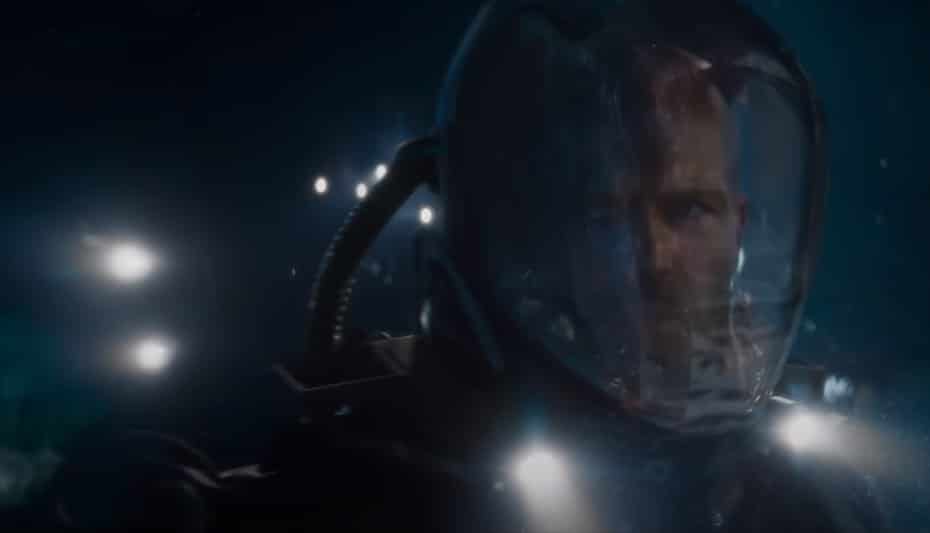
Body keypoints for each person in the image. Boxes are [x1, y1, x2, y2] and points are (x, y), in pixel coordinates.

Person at [8, 1, 885, 531]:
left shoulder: (811, 508)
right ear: (507, 226)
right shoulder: (363, 490)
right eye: (600, 213)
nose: (653, 257)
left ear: (742, 225)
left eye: (688, 209)